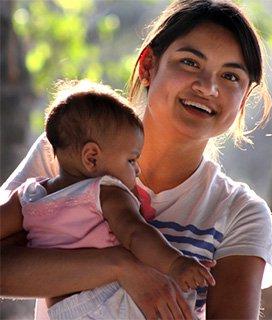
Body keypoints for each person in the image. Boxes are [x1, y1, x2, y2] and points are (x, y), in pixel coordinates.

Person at [0, 0, 272, 319]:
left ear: (243, 99)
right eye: (189, 62)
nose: (207, 87)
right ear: (148, 66)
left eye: (231, 77)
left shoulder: (241, 212)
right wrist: (120, 266)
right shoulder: (70, 154)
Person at [0, 80, 215, 319]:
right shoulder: (107, 192)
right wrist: (176, 263)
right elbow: (135, 233)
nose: (137, 171)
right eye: (132, 160)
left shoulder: (30, 196)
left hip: (63, 310)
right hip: (111, 298)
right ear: (91, 158)